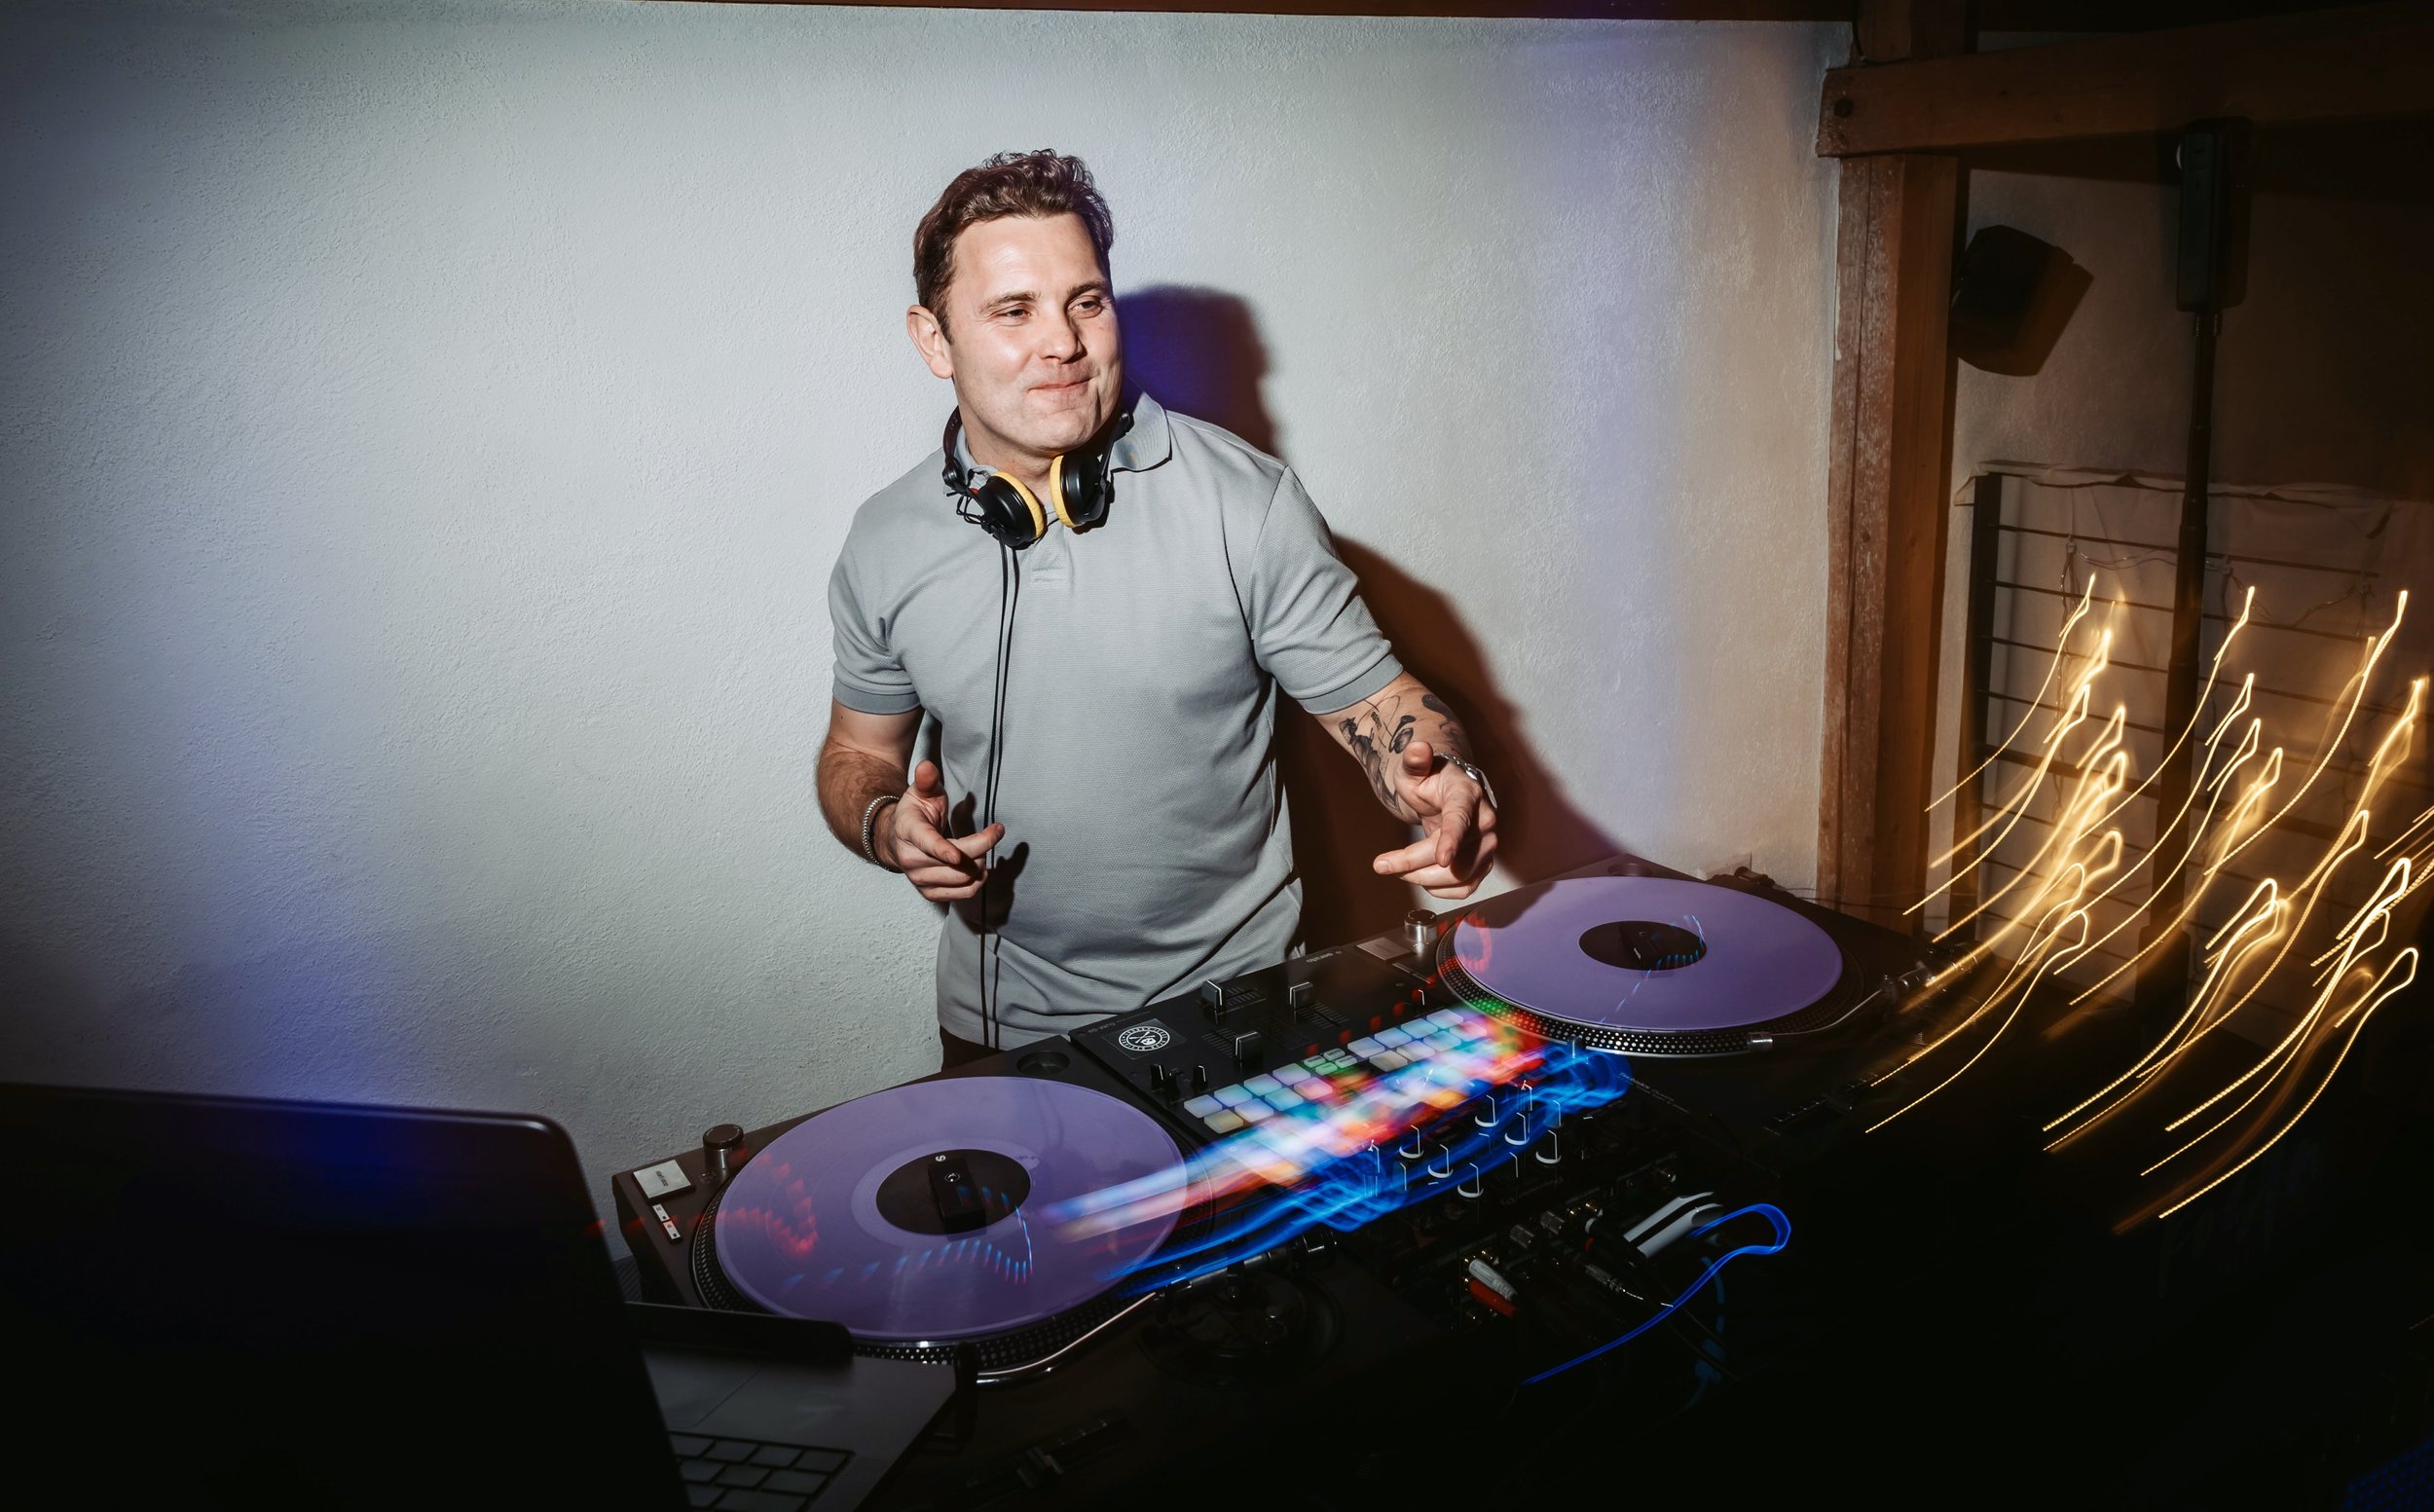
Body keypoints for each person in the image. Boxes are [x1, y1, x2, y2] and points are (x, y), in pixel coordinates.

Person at [818, 150, 1497, 1069]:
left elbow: (1382, 705)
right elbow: (857, 753)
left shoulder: (1244, 501)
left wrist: (1448, 775)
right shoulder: (885, 540)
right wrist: (883, 822)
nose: (1063, 342)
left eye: (1086, 302)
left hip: (1243, 1007)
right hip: (1001, 1028)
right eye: (1014, 311)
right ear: (934, 340)